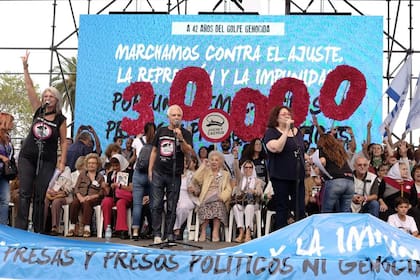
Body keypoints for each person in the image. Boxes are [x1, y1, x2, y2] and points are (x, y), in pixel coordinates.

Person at [16, 51, 68, 233]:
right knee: (24, 193)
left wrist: (62, 162)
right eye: (45, 96)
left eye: (51, 96)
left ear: (57, 100)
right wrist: (25, 67)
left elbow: (63, 142)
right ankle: (21, 230)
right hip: (28, 156)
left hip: (47, 159)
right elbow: (29, 88)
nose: (47, 99)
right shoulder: (38, 112)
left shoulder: (61, 119)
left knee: (40, 195)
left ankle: (38, 230)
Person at [148, 105, 194, 244]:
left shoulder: (185, 133)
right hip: (159, 172)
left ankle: (169, 234)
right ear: (168, 117)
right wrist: (150, 170)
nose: (176, 118)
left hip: (175, 174)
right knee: (156, 204)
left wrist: (180, 138)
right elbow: (155, 151)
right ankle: (156, 233)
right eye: (173, 115)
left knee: (172, 205)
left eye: (178, 115)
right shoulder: (161, 131)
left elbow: (188, 151)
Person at [263, 105, 306, 230]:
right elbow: (277, 148)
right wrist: (286, 130)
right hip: (280, 175)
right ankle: (280, 234)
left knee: (300, 207)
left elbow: (300, 150)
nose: (287, 116)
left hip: (297, 176)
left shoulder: (297, 132)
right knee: (282, 206)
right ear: (276, 118)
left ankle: (300, 235)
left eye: (289, 114)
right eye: (283, 114)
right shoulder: (271, 132)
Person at [189, 150, 232, 242]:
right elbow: (195, 179)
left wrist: (222, 196)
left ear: (220, 162)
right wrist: (203, 166)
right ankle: (203, 232)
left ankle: (215, 232)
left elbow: (228, 189)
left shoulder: (225, 174)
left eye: (216, 160)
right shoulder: (206, 172)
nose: (213, 162)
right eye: (211, 160)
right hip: (206, 198)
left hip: (218, 198)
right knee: (204, 206)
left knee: (218, 206)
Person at [67, 153, 105, 237]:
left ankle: (87, 228)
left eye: (93, 163)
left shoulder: (100, 177)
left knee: (87, 203)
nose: (91, 165)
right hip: (81, 196)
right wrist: (80, 197)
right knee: (74, 203)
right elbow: (76, 188)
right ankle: (72, 226)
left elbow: (102, 192)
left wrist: (91, 196)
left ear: (97, 165)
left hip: (93, 198)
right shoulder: (82, 175)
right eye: (89, 163)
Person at [315, 133, 354, 213]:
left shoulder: (322, 149)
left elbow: (322, 162)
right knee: (345, 212)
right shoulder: (340, 150)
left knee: (326, 211)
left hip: (335, 180)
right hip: (350, 181)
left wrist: (316, 167)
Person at [132, 122, 156, 240]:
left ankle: (136, 231)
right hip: (153, 174)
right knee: (153, 204)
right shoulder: (157, 142)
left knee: (137, 204)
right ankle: (154, 230)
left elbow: (135, 157)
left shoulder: (137, 141)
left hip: (139, 174)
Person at [231, 160, 263, 243]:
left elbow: (260, 193)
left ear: (253, 169)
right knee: (235, 207)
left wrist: (254, 191)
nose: (248, 169)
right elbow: (235, 169)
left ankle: (248, 232)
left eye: (250, 167)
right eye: (246, 167)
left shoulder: (257, 180)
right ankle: (241, 232)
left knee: (249, 207)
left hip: (252, 203)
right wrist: (235, 158)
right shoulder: (240, 180)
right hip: (241, 201)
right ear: (243, 168)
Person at [101, 154, 132, 239]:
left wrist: (119, 186)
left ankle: (122, 230)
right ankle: (107, 228)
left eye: (117, 165)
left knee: (120, 203)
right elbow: (108, 192)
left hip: (124, 197)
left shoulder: (129, 172)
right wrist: (105, 186)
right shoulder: (111, 174)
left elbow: (131, 188)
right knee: (106, 202)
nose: (115, 168)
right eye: (113, 166)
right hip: (113, 196)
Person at [173, 155, 198, 240]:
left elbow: (198, 189)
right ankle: (176, 229)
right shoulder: (172, 174)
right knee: (170, 207)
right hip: (174, 195)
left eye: (183, 161)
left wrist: (194, 190)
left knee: (183, 207)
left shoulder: (193, 174)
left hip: (188, 196)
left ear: (186, 164)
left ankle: (176, 229)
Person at [43, 166, 73, 235]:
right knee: (44, 201)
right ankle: (41, 226)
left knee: (56, 202)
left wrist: (57, 194)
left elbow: (68, 190)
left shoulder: (67, 171)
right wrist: (49, 193)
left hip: (63, 196)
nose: (60, 164)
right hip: (48, 194)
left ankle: (55, 227)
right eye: (58, 161)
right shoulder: (50, 171)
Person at [0, 112, 15, 225]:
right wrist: (2, 157)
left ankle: (3, 226)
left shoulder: (8, 138)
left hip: (4, 173)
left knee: (5, 199)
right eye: (11, 121)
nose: (13, 124)